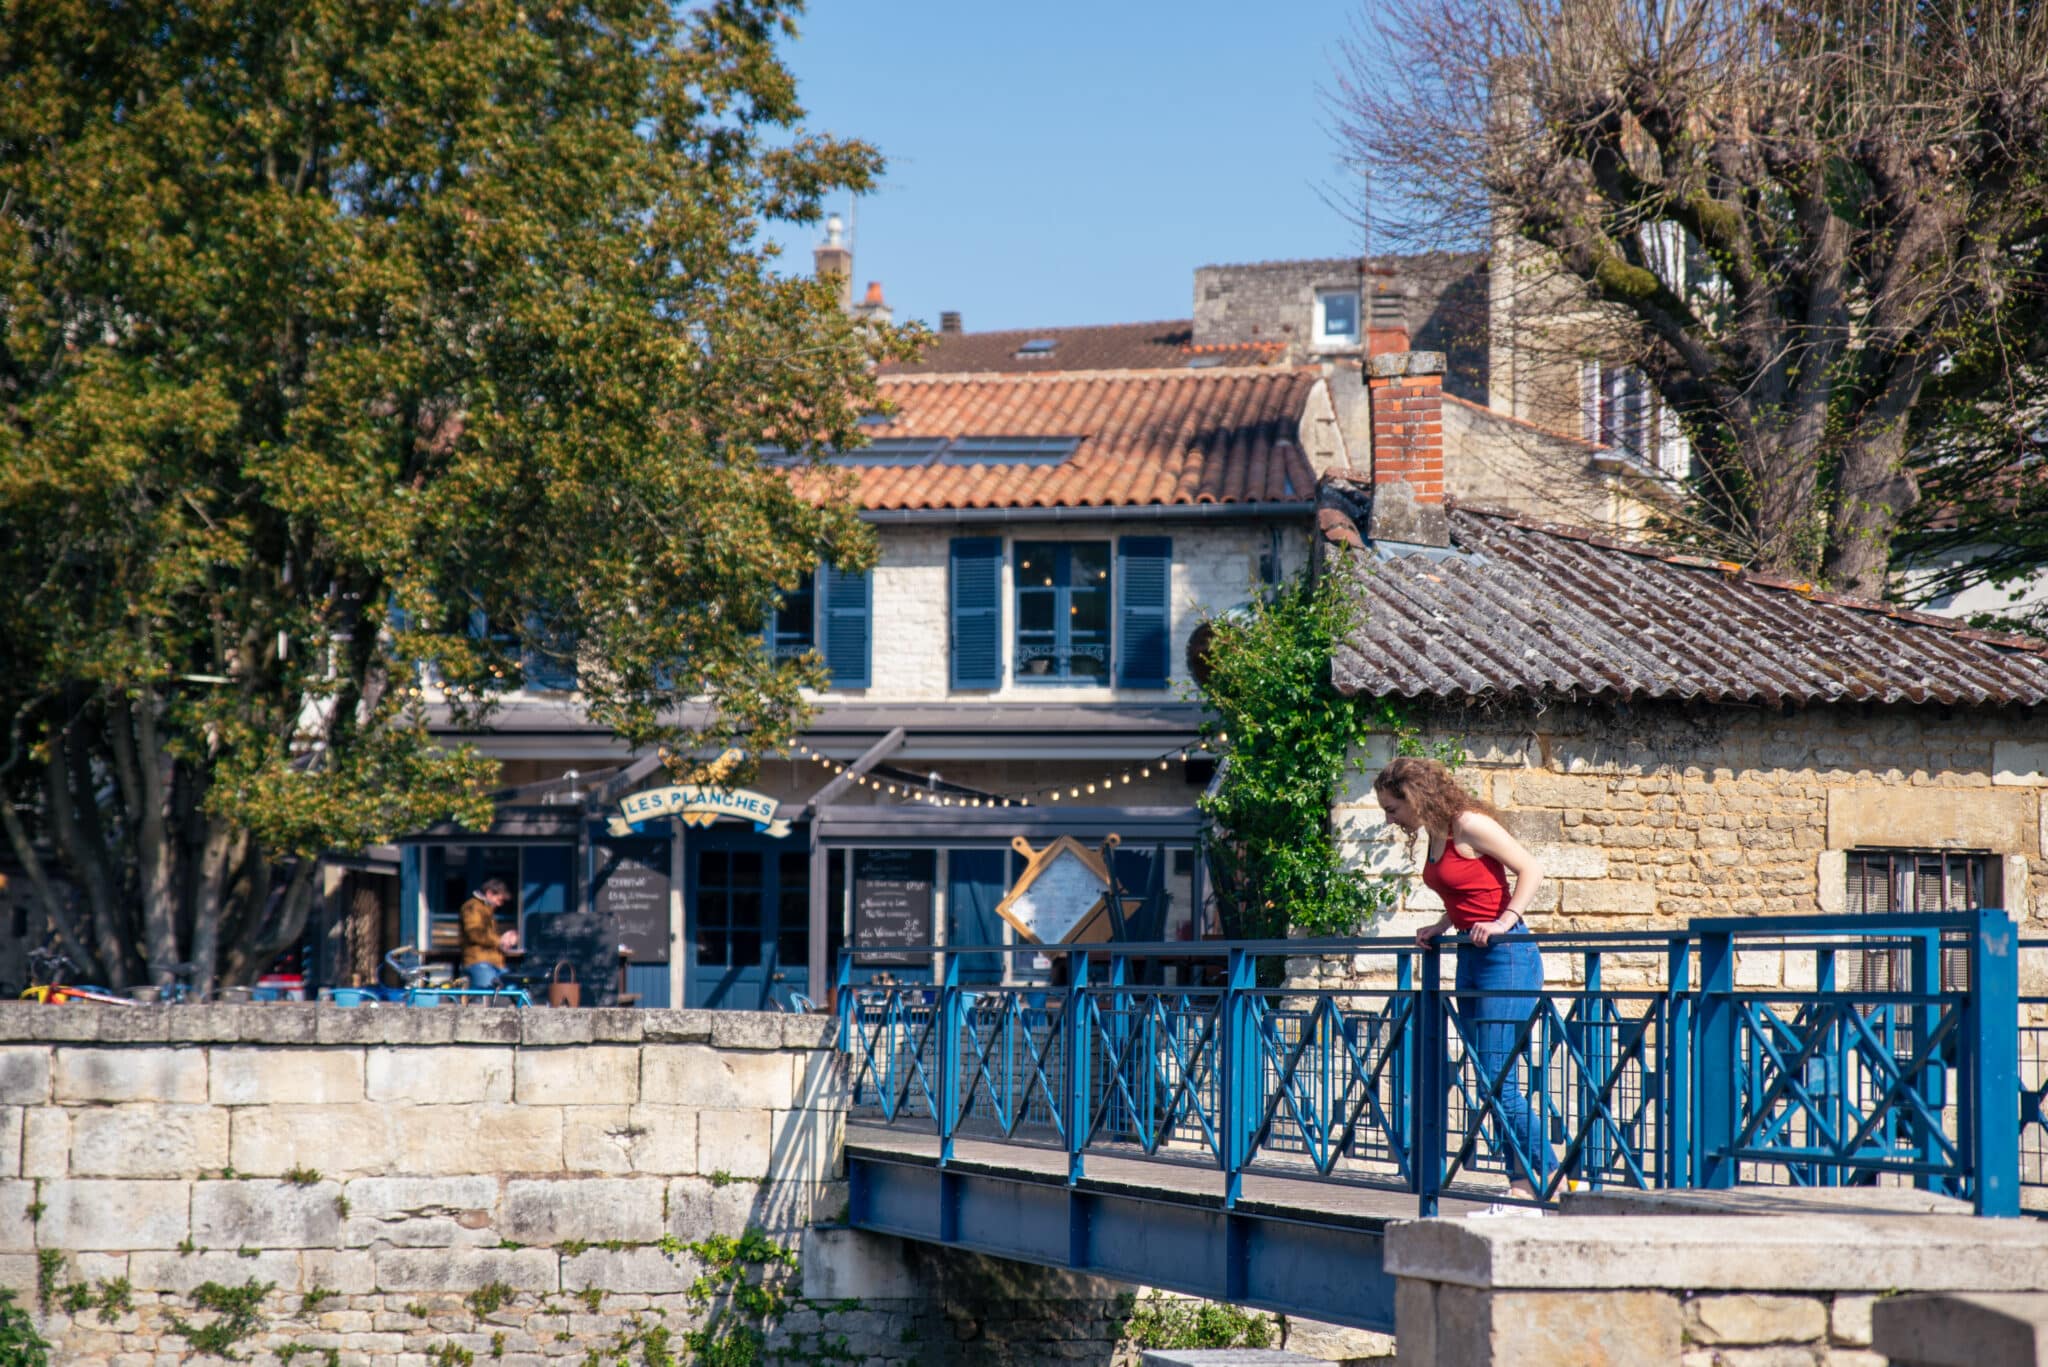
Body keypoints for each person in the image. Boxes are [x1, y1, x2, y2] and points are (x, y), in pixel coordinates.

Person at [1373, 756, 1550, 1213]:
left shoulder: (1469, 824)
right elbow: (1469, 893)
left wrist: (1505, 921)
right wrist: (1439, 924)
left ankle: (1540, 1178)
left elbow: (1531, 870)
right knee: (1490, 1076)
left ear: (1414, 798)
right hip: (1472, 955)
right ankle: (1524, 1181)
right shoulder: (1435, 834)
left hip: (1507, 956)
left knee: (1497, 1078)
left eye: (1392, 808)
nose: (1389, 818)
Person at [458, 878, 520, 991]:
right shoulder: (473, 907)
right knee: (487, 990)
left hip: (494, 962)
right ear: (489, 893)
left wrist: (505, 941)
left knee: (513, 987)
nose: (500, 904)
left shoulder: (487, 909)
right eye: (499, 899)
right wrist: (500, 940)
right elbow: (474, 933)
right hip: (478, 960)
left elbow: (488, 936)